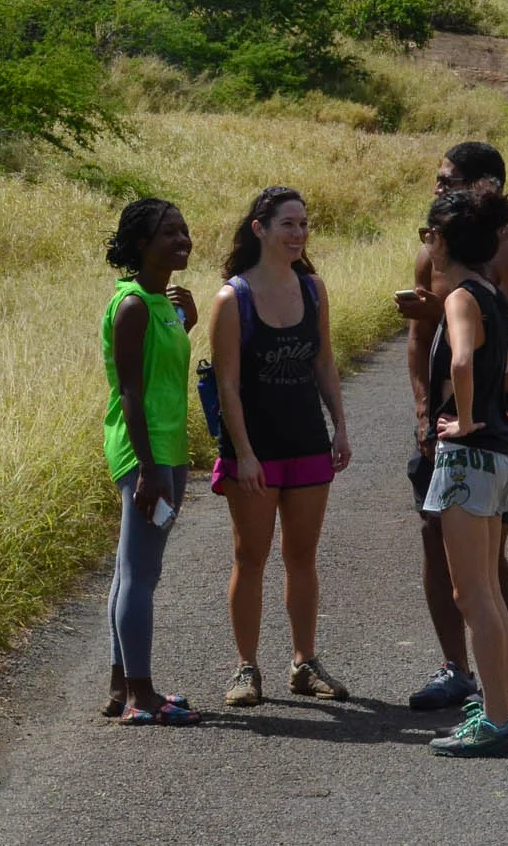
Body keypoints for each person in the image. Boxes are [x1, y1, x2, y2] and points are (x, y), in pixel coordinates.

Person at [397, 142, 508, 712]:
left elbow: (495, 353)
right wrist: (425, 413)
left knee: (486, 563)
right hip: (448, 422)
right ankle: (458, 671)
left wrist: (466, 412)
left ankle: (507, 682)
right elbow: (423, 342)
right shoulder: (439, 259)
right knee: (436, 540)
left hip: (489, 423)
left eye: (450, 181)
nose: (438, 189)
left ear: (486, 188)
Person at [207, 187, 353, 707]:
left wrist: (340, 427)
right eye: (288, 224)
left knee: (302, 555)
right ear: (260, 229)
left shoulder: (312, 288)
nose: (298, 234)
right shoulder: (233, 299)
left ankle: (304, 662)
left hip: (307, 440)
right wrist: (244, 454)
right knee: (250, 557)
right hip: (255, 449)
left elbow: (324, 362)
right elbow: (227, 386)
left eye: (304, 224)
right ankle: (246, 668)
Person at [417, 188, 508, 756]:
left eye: (427, 235)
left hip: (467, 457)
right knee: (487, 593)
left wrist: (462, 417)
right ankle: (500, 711)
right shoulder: (493, 294)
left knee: (472, 595)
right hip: (500, 455)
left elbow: (460, 359)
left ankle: (497, 721)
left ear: (442, 239)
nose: (426, 244)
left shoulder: (461, 296)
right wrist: (488, 388)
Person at [99, 197, 201, 726]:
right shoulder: (134, 304)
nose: (182, 240)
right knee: (141, 573)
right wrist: (147, 468)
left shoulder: (163, 302)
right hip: (147, 451)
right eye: (169, 233)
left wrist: (188, 321)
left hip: (163, 449)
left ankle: (121, 687)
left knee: (130, 570)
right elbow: (131, 391)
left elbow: (161, 364)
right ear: (141, 244)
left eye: (184, 230)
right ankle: (142, 696)